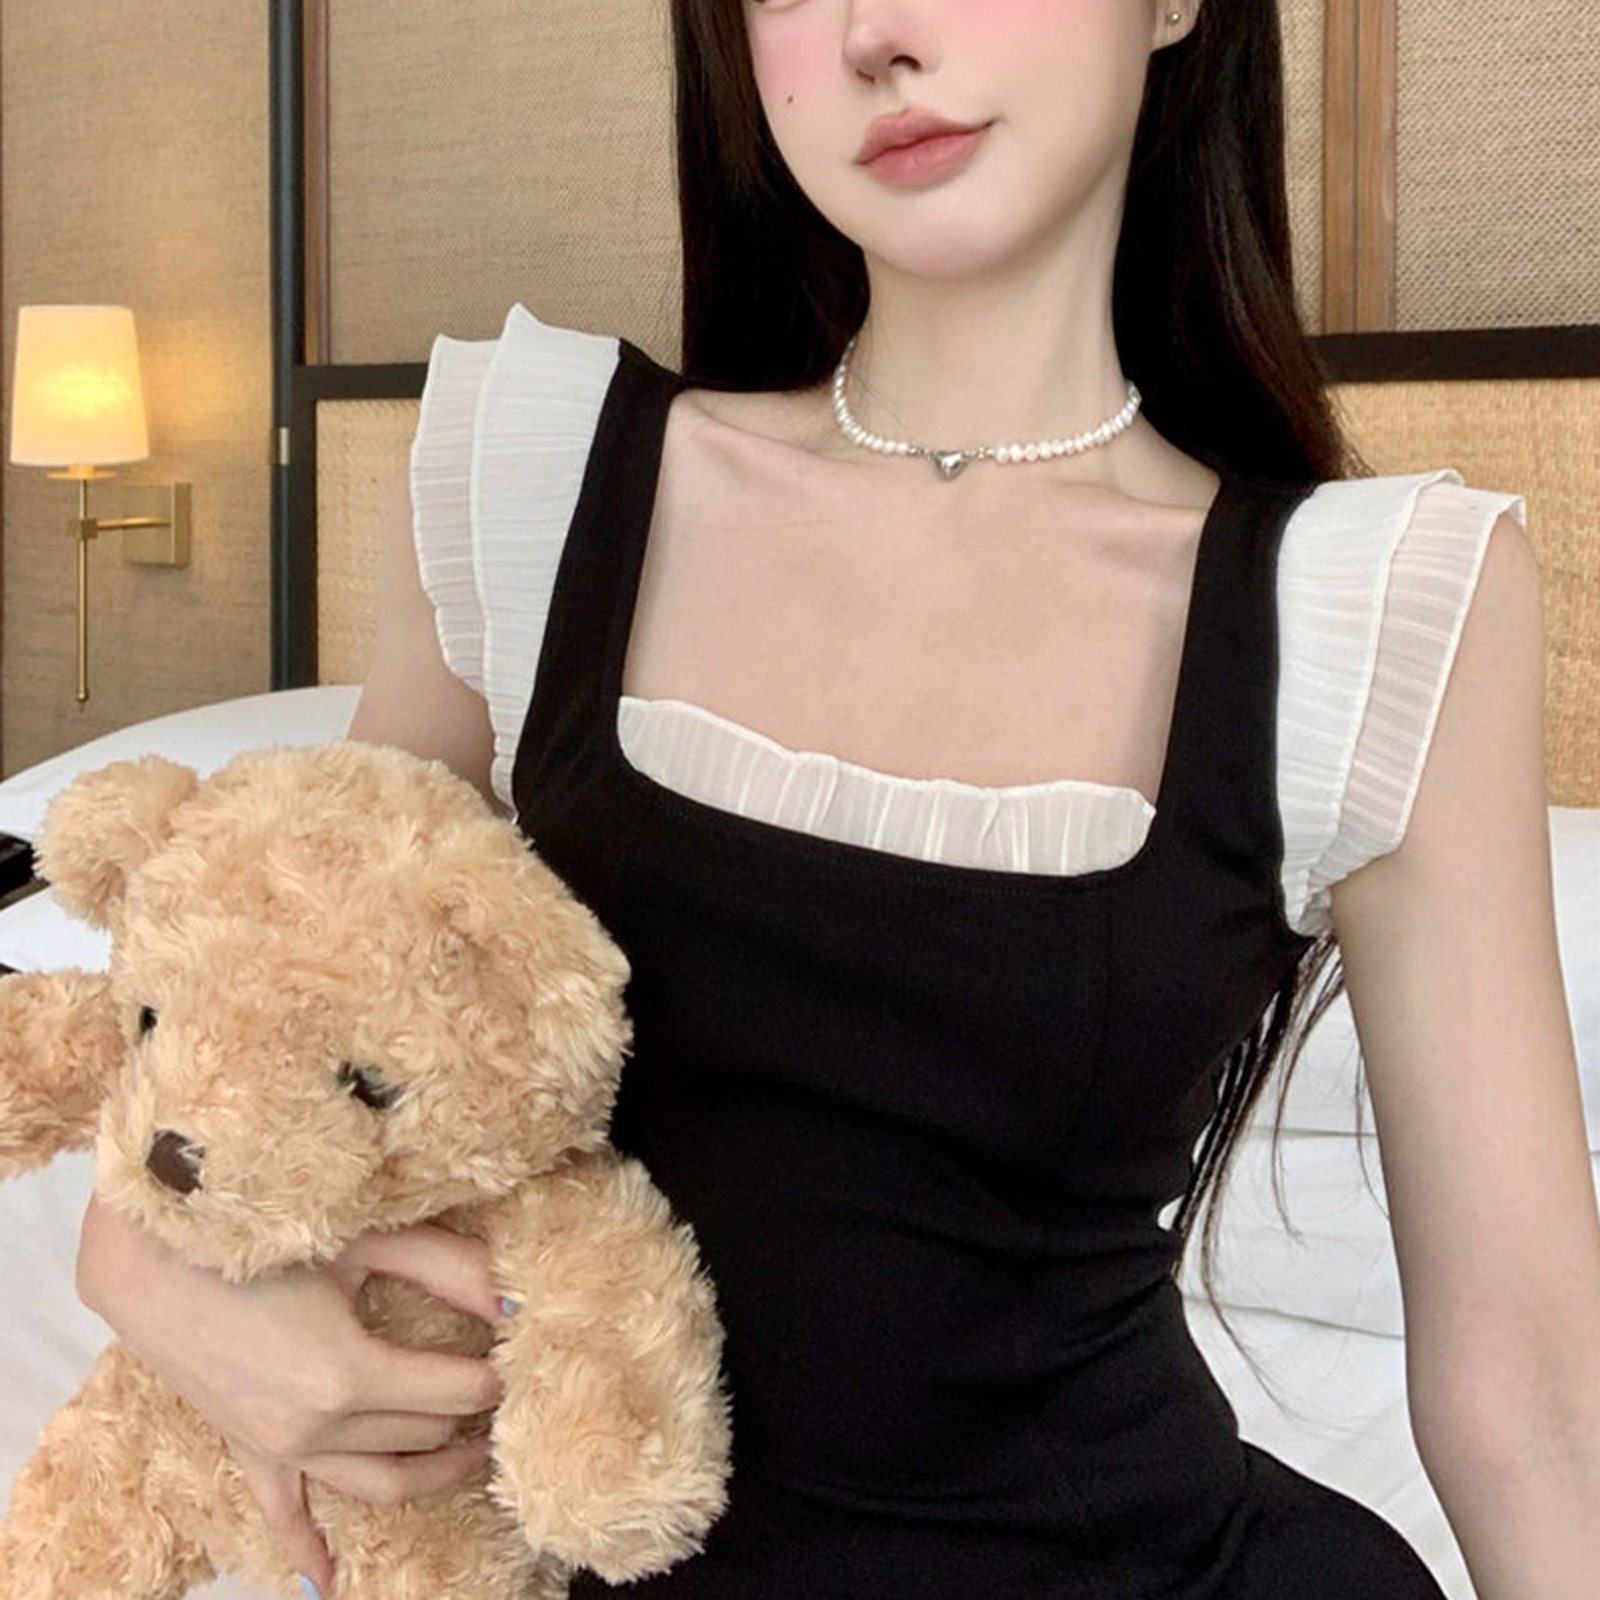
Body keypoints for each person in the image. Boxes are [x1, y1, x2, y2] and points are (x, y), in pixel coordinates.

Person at [77, 1, 1600, 1596]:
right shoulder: (531, 476)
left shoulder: (1378, 612)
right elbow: (270, 993)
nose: (878, 31)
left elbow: (1538, 1404)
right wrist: (139, 1264)